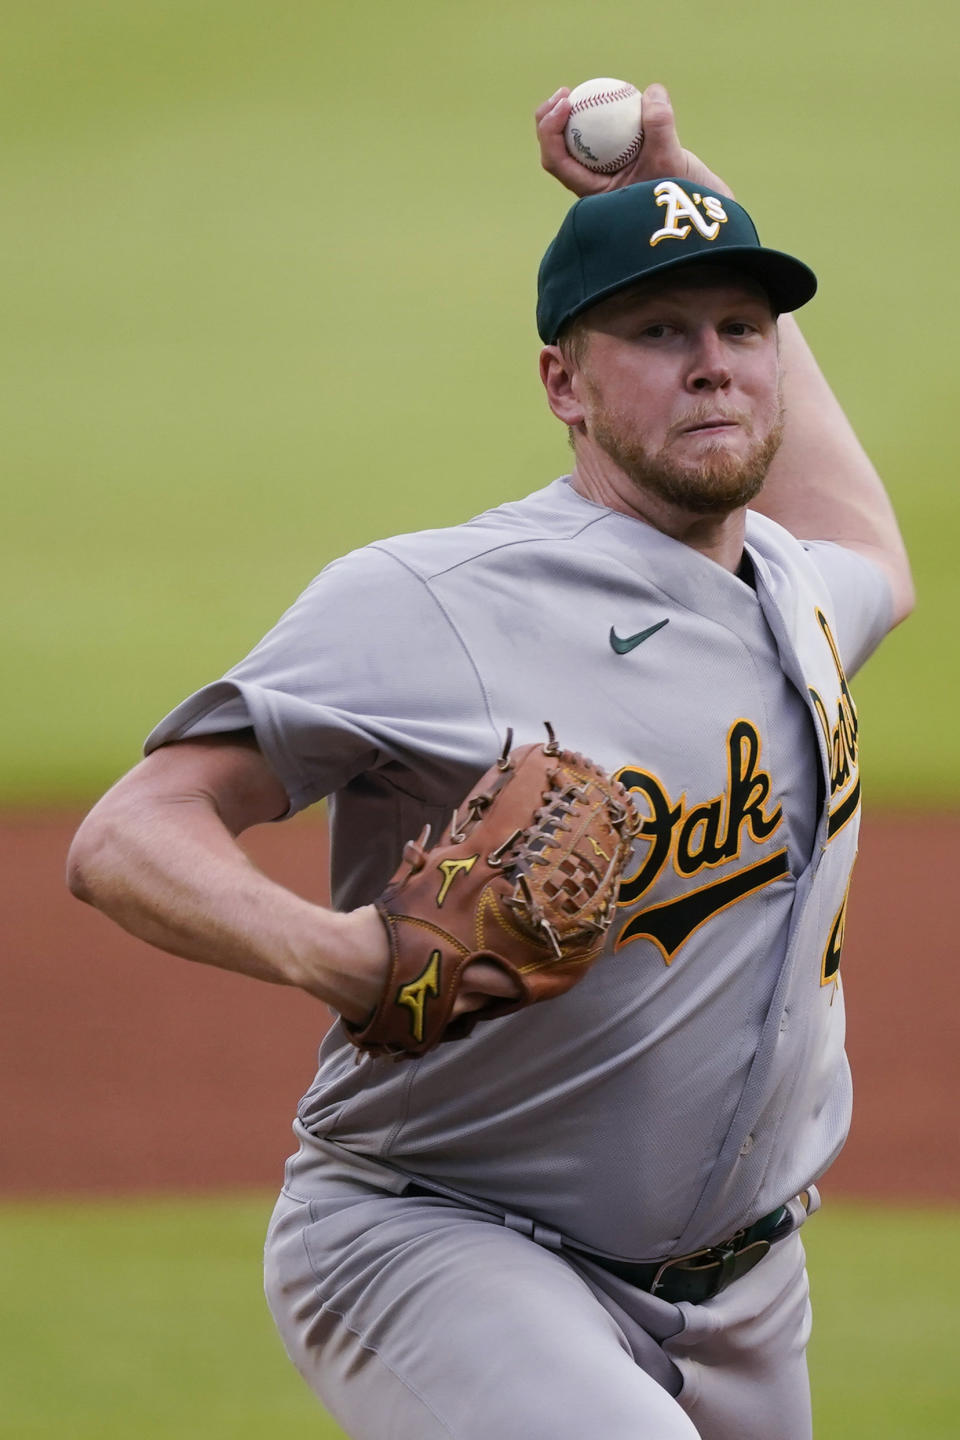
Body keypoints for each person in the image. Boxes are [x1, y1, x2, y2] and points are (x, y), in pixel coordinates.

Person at [67, 83, 913, 1440]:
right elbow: (127, 834)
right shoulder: (433, 598)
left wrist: (682, 187)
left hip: (752, 1298)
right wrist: (339, 953)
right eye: (658, 333)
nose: (716, 364)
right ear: (562, 384)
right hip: (443, 1240)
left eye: (742, 330)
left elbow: (873, 540)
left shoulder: (806, 591)